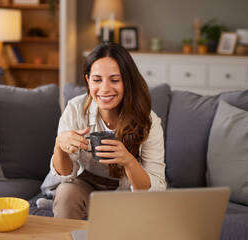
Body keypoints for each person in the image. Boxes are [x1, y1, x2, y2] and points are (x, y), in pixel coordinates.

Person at [42, 42, 166, 220]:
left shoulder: (149, 121)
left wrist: (129, 161)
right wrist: (59, 145)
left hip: (125, 190)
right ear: (88, 80)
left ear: (127, 81)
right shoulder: (76, 109)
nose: (105, 89)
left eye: (115, 80)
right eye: (97, 80)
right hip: (85, 183)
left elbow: (156, 188)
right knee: (66, 192)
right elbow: (65, 176)